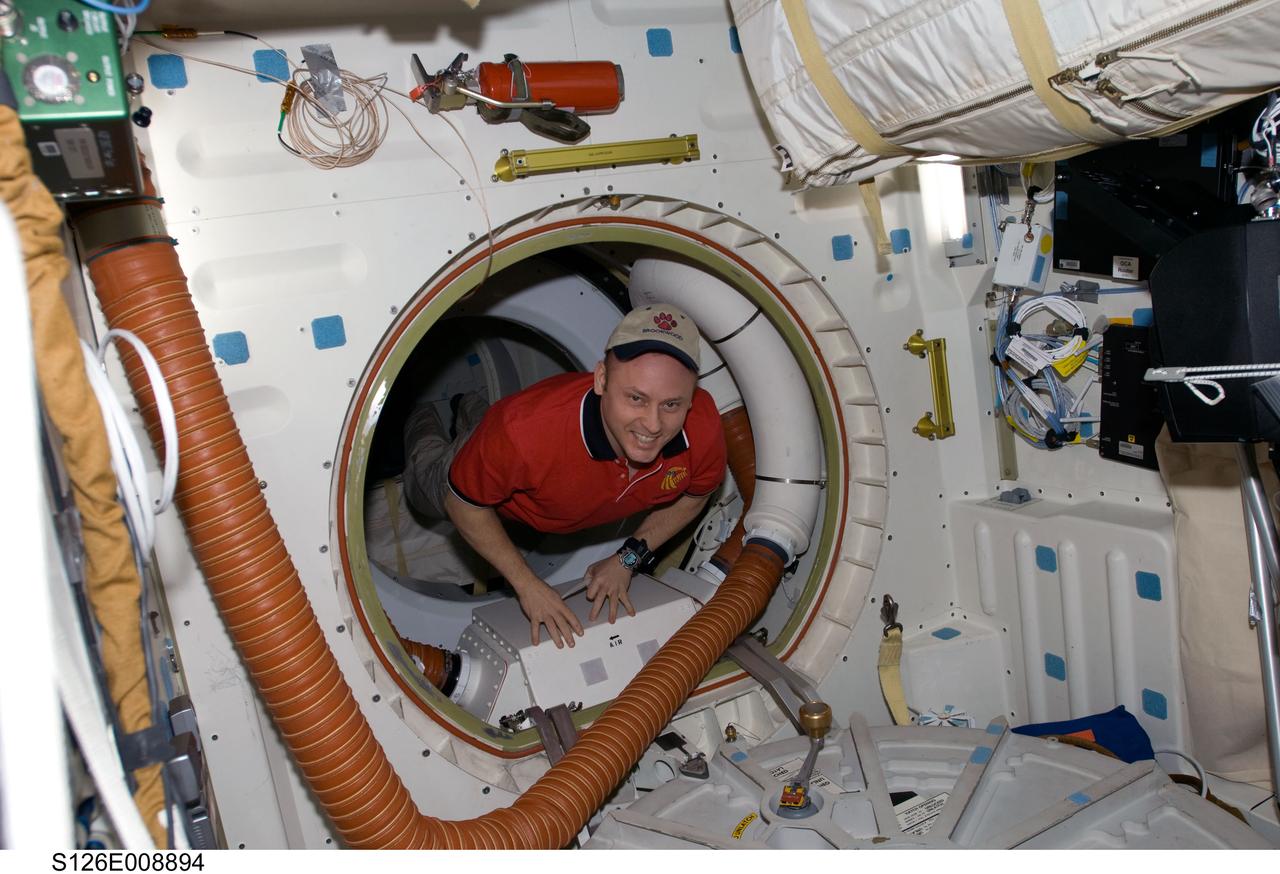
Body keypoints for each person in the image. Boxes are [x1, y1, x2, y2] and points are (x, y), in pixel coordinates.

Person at [401, 304, 727, 649]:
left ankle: (468, 403)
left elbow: (696, 497)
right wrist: (526, 586)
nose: (653, 424)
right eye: (636, 398)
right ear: (601, 379)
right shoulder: (524, 431)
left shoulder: (703, 428)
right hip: (486, 461)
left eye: (671, 405)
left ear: (691, 400)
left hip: (504, 451)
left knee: (489, 432)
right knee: (423, 485)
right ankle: (416, 412)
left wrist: (627, 559)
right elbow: (461, 503)